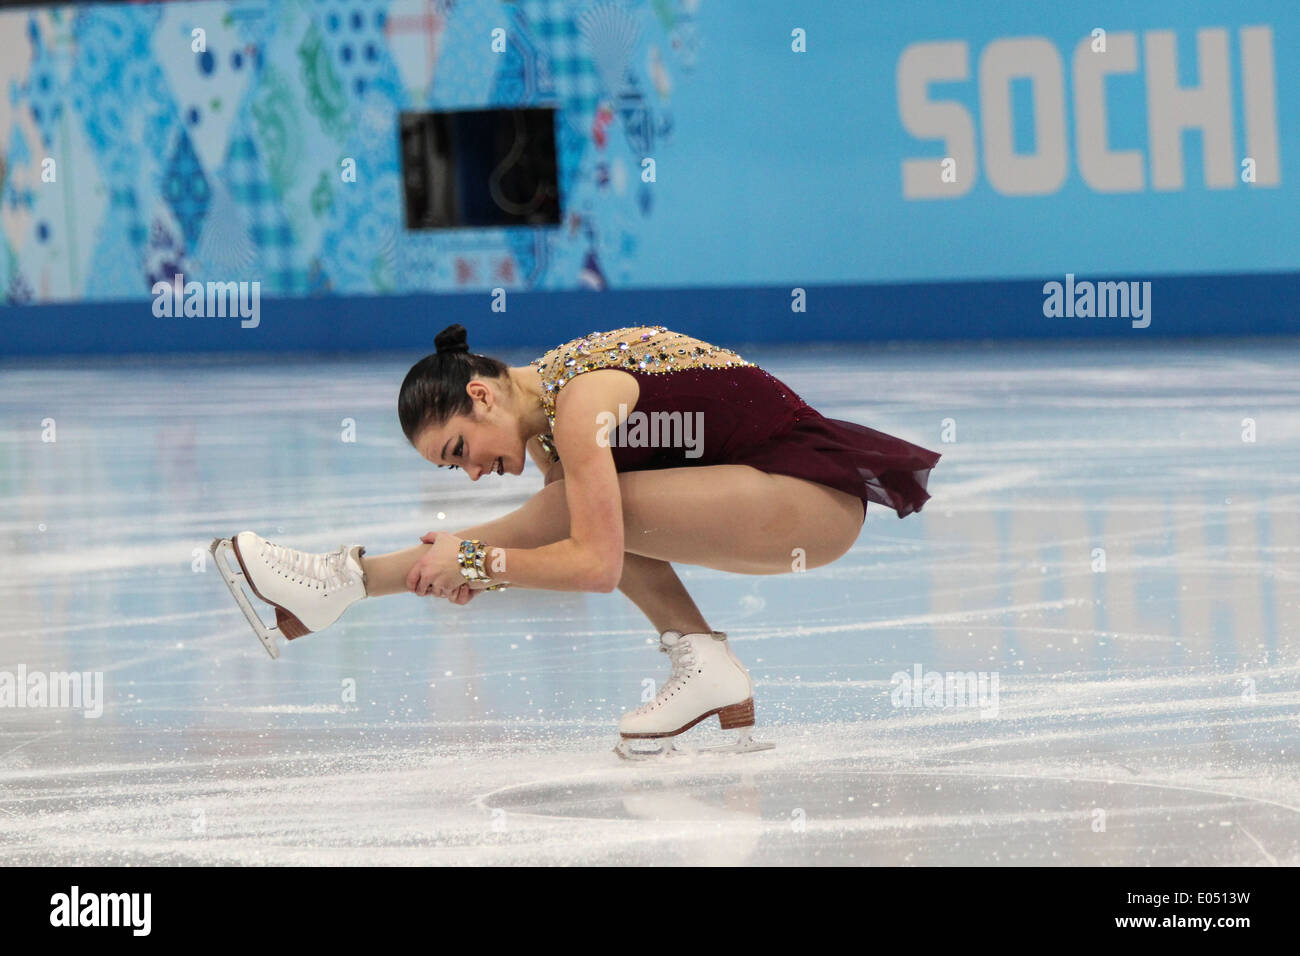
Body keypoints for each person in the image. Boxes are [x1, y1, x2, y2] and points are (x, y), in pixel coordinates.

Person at [211, 323, 940, 757]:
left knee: (588, 507)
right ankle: (707, 662)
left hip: (812, 502)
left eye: (460, 449)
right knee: (585, 502)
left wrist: (471, 561)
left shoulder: (581, 401)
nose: (469, 475)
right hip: (773, 495)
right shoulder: (552, 420)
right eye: (452, 466)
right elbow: (602, 550)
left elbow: (596, 564)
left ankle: (348, 580)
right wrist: (480, 567)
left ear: (483, 393)